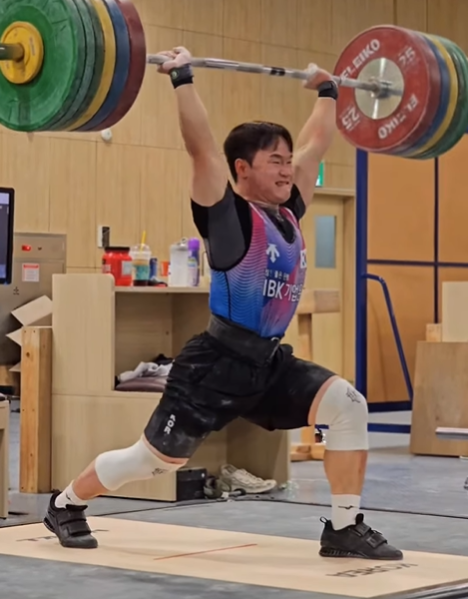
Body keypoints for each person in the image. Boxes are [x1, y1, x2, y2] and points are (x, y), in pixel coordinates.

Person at [43, 46, 402, 561]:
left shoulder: (289, 211)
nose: (287, 169)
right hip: (213, 367)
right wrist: (183, 78)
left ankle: (343, 529)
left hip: (268, 364)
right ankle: (66, 504)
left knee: (348, 405)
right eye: (275, 161)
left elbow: (316, 144)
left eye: (287, 160)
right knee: (154, 461)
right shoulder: (227, 216)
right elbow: (201, 148)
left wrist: (328, 91)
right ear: (242, 168)